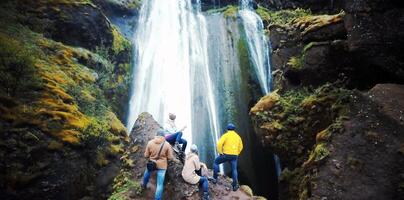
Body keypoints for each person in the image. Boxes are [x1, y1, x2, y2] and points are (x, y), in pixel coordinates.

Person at [142, 129, 175, 200]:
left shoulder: (150, 143)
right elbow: (170, 157)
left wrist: (151, 157)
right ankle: (157, 199)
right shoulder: (167, 144)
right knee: (159, 184)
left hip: (152, 163)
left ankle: (144, 185)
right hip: (162, 166)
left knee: (147, 173)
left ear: (156, 135)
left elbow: (146, 155)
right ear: (163, 136)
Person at [212, 123, 243, 191]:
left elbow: (219, 144)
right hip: (234, 156)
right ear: (234, 129)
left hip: (226, 154)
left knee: (216, 162)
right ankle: (235, 185)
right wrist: (237, 153)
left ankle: (214, 178)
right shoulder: (238, 136)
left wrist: (220, 152)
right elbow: (241, 147)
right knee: (234, 169)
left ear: (227, 129)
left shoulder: (225, 135)